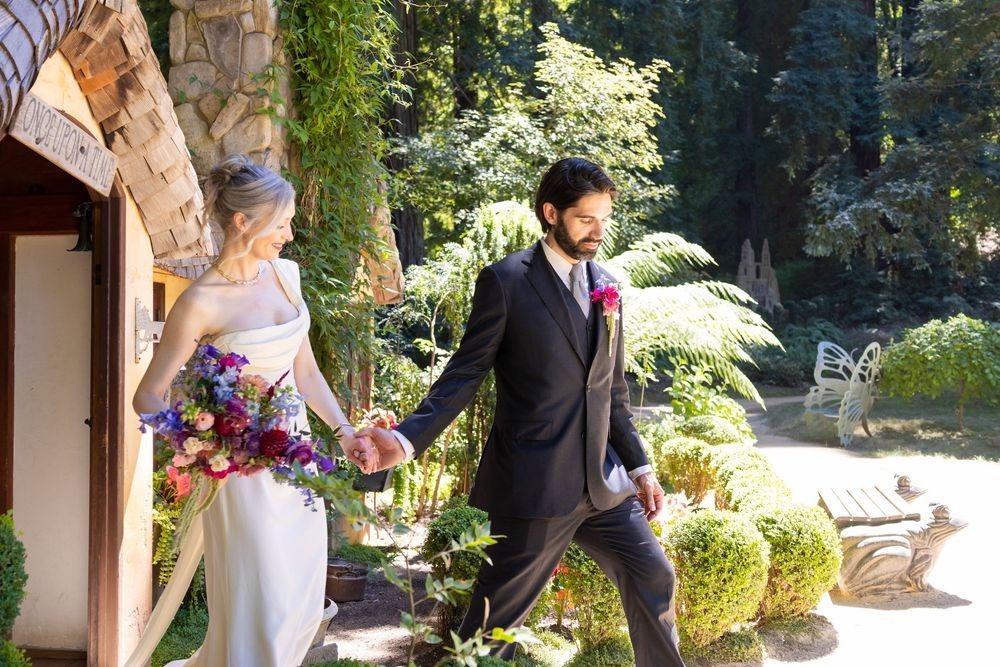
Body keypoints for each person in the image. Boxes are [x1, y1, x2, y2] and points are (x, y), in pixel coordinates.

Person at [358, 157, 686, 666]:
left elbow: (611, 392)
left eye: (604, 219)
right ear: (551, 213)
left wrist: (640, 468)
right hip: (534, 487)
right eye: (585, 219)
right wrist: (405, 440)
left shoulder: (608, 286)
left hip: (604, 485)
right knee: (491, 629)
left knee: (654, 574)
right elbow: (464, 374)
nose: (598, 231)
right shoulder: (506, 280)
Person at [128, 154, 375, 667]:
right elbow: (148, 396)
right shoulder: (200, 302)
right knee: (262, 607)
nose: (289, 234)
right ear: (243, 221)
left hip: (297, 465)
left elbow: (306, 374)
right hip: (241, 477)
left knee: (299, 603)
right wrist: (205, 442)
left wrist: (345, 431)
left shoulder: (287, 276)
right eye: (281, 223)